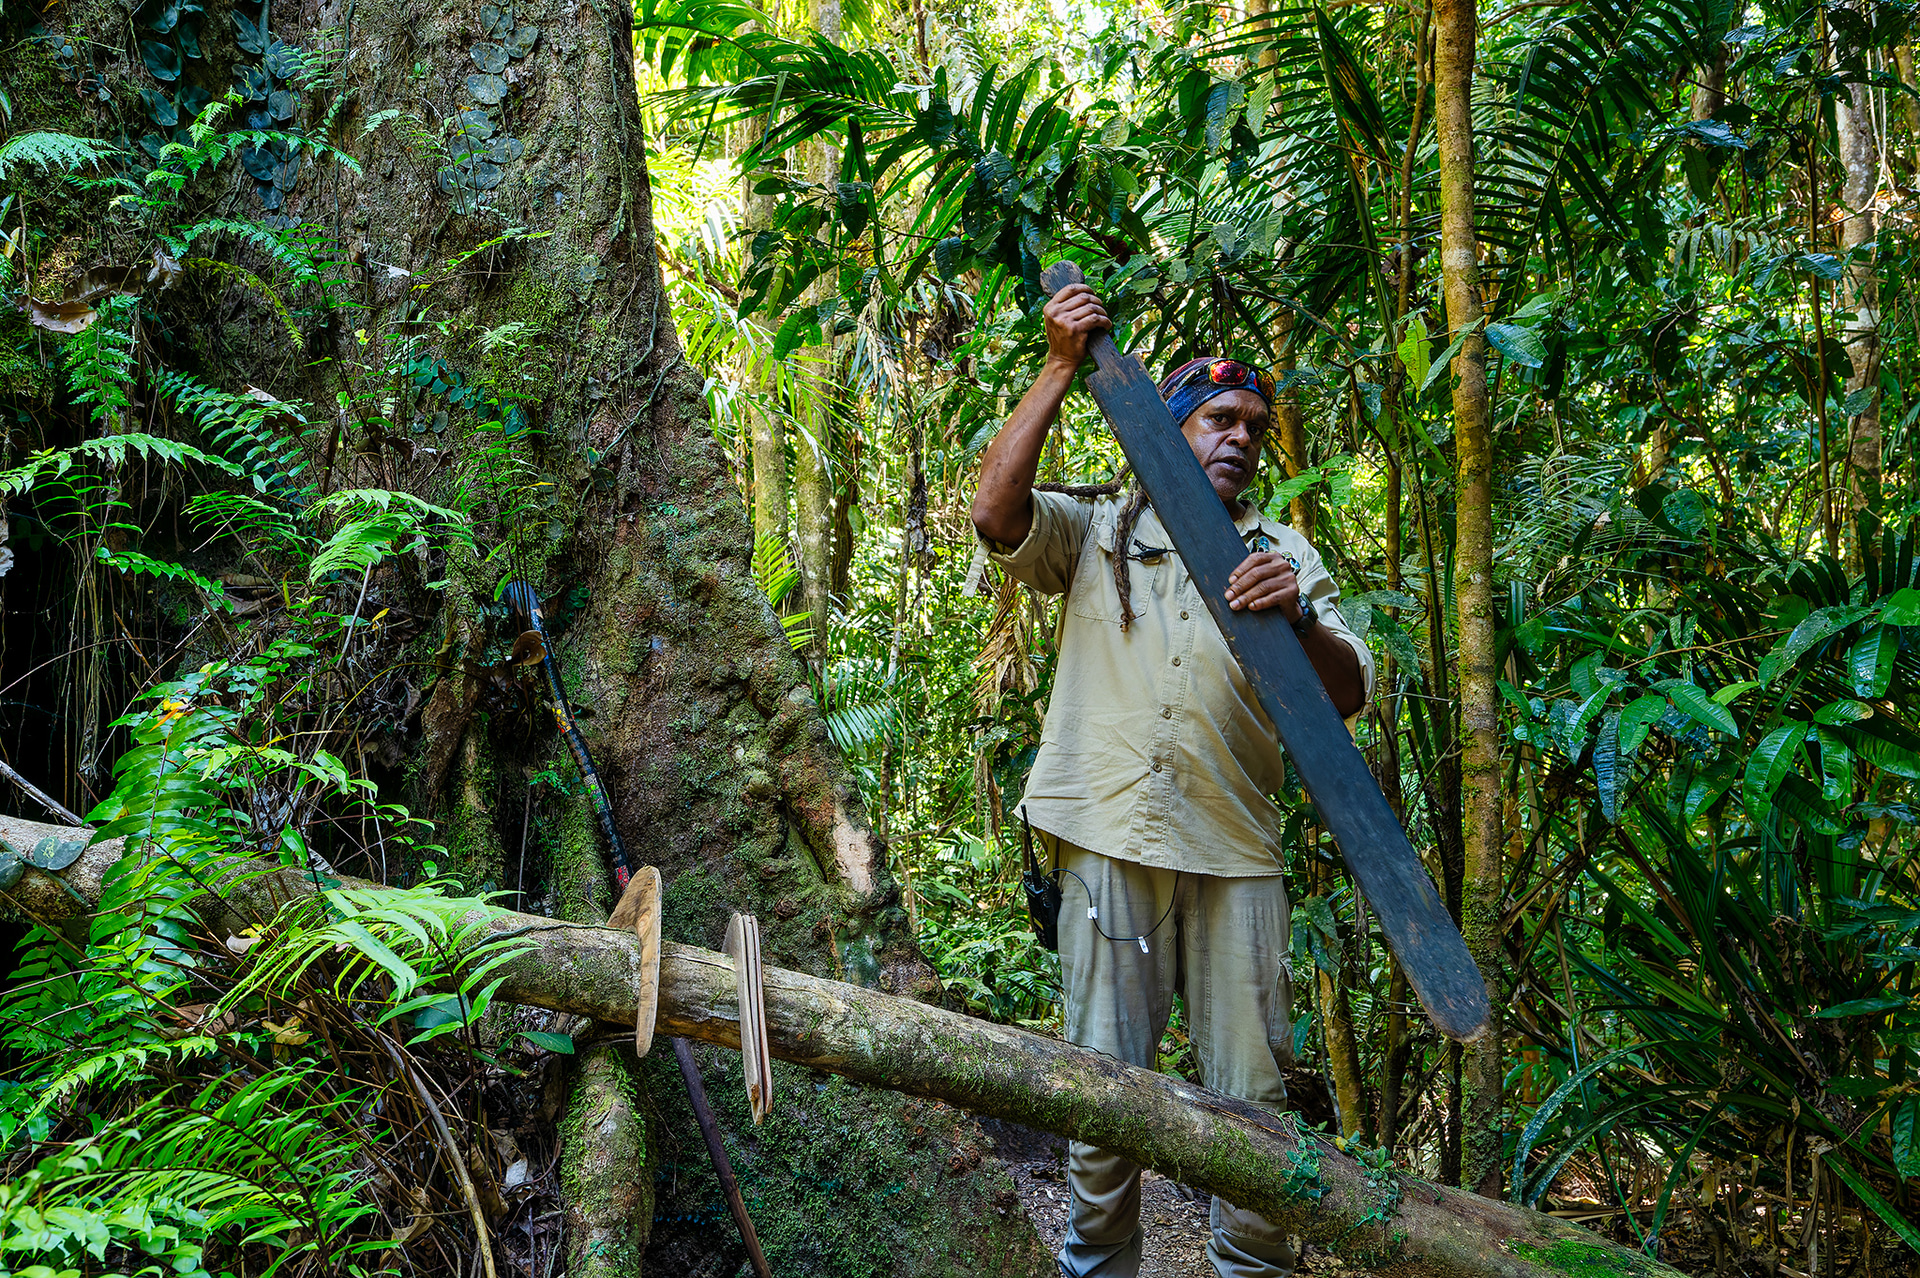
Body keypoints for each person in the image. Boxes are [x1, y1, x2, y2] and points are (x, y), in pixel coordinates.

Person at [970, 280, 1375, 1278]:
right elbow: (994, 512)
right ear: (1171, 428)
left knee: (1255, 1111)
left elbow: (1346, 694)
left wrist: (1297, 618)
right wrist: (1060, 366)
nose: (1240, 438)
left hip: (1237, 853)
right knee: (1104, 1099)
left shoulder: (1284, 554)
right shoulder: (1100, 529)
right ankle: (1097, 1266)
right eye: (1217, 419)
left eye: (1255, 427)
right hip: (1107, 836)